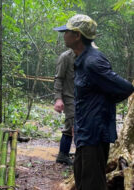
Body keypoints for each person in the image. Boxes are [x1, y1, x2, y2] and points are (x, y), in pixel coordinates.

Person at [54, 14, 134, 190]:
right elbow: (85, 96)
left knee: (92, 183)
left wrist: (102, 105)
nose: (63, 34)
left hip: (95, 132)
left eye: (66, 31)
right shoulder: (81, 59)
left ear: (77, 36)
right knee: (82, 176)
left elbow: (126, 88)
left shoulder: (93, 62)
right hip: (85, 130)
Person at [54, 49, 75, 165]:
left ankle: (65, 154)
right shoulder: (66, 57)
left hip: (82, 98)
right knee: (72, 124)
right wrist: (58, 98)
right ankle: (64, 155)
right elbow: (58, 78)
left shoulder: (87, 55)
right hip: (69, 97)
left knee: (74, 126)